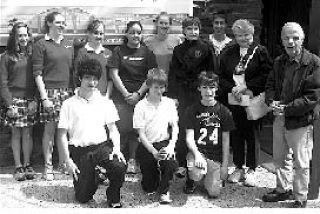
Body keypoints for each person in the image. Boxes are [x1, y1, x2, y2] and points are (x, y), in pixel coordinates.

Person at [262, 22, 320, 208]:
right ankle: (282, 190)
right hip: (280, 118)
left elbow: (312, 96)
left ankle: (300, 196)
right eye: (286, 37)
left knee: (301, 162)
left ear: (302, 40)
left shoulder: (313, 63)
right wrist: (271, 101)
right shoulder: (279, 62)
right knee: (280, 158)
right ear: (281, 40)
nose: (291, 41)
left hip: (301, 120)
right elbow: (270, 85)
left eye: (295, 37)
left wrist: (286, 108)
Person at [57, 57, 126, 208]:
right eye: (88, 78)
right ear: (80, 78)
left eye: (95, 79)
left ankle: (113, 196)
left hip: (101, 147)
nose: (92, 82)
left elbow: (113, 129)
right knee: (83, 197)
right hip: (80, 151)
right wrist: (67, 160)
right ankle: (96, 175)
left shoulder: (105, 102)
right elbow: (62, 134)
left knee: (119, 165)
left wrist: (117, 149)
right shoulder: (68, 104)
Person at [219, 19, 272, 187]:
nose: (243, 38)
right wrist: (232, 88)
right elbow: (221, 76)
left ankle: (251, 169)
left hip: (252, 98)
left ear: (253, 33)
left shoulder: (260, 51)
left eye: (246, 35)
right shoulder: (229, 52)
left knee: (252, 134)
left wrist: (247, 86)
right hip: (233, 98)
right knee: (236, 133)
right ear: (234, 36)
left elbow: (267, 75)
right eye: (239, 35)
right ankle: (239, 167)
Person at [167, 16, 214, 176]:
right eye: (189, 29)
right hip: (182, 93)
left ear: (199, 30)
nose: (193, 32)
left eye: (195, 29)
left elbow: (212, 73)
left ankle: (200, 162)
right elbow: (172, 75)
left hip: (199, 93)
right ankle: (181, 163)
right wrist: (173, 96)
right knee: (181, 126)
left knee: (200, 126)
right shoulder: (178, 50)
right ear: (184, 31)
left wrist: (208, 94)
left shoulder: (206, 48)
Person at [109, 21, 157, 174]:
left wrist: (138, 94)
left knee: (137, 131)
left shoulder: (147, 52)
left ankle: (132, 160)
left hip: (141, 97)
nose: (135, 35)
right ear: (126, 34)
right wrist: (126, 94)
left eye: (138, 32)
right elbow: (113, 74)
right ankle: (117, 160)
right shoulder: (118, 51)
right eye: (132, 32)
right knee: (121, 129)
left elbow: (151, 76)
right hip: (121, 97)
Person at [32, 11, 74, 180]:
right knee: (49, 131)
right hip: (49, 93)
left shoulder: (69, 44)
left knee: (63, 130)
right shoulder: (41, 44)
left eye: (64, 22)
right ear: (49, 23)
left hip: (68, 93)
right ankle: (48, 168)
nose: (62, 25)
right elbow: (37, 73)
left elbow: (72, 71)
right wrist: (44, 98)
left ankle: (63, 164)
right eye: (58, 22)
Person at [183, 71, 235, 198]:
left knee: (214, 193)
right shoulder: (191, 110)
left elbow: (226, 140)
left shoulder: (224, 111)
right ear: (199, 88)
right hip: (198, 154)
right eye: (204, 87)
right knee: (196, 173)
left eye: (212, 87)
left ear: (216, 89)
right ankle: (192, 179)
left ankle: (209, 177)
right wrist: (197, 155)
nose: (208, 91)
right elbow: (189, 138)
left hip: (215, 156)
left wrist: (225, 165)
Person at [133, 68, 179, 204]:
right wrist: (153, 151)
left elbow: (175, 127)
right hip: (147, 145)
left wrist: (171, 146)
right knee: (149, 187)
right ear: (148, 86)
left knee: (171, 163)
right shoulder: (140, 106)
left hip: (163, 143)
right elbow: (140, 134)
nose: (159, 91)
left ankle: (165, 190)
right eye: (155, 88)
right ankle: (150, 174)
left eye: (162, 87)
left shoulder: (169, 103)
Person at [0, 22, 37, 181]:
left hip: (29, 101)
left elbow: (37, 79)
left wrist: (34, 100)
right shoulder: (6, 57)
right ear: (14, 37)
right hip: (13, 101)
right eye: (20, 35)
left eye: (25, 35)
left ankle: (28, 164)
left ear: (29, 37)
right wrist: (9, 104)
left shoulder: (33, 55)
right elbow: (2, 82)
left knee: (28, 134)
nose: (23, 38)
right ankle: (18, 166)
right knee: (15, 134)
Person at [74, 19, 113, 98]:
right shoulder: (82, 52)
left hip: (103, 97)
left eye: (101, 33)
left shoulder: (108, 53)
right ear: (88, 33)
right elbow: (76, 76)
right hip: (86, 97)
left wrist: (107, 96)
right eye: (95, 33)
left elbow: (110, 78)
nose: (99, 36)